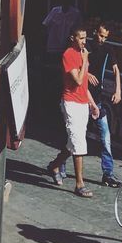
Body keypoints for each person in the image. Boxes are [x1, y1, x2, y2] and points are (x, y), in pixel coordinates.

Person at [45, 27, 95, 198]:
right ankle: (79, 184)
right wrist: (85, 58)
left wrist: (92, 103)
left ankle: (54, 166)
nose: (84, 41)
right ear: (72, 38)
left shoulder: (82, 54)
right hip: (71, 102)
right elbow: (79, 80)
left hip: (82, 103)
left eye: (85, 38)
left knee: (73, 142)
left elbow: (85, 83)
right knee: (78, 141)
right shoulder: (68, 54)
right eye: (81, 38)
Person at [87, 22, 121, 187]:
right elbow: (76, 65)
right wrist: (86, 74)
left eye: (105, 37)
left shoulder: (108, 49)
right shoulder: (85, 45)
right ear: (95, 32)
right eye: (100, 35)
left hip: (97, 100)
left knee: (106, 137)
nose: (102, 39)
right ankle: (60, 165)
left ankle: (108, 173)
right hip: (82, 99)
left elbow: (116, 70)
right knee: (75, 137)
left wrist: (118, 90)